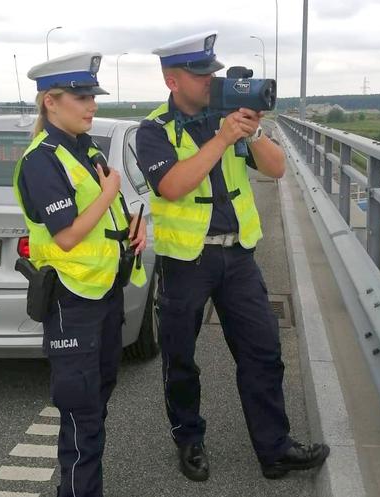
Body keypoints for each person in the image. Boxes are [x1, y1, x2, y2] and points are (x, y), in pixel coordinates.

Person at [135, 31, 330, 481]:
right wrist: (222, 139)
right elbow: (173, 186)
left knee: (263, 352)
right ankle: (189, 439)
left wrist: (253, 130)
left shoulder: (229, 119)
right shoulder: (154, 131)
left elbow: (277, 169)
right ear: (172, 81)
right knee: (180, 358)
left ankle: (275, 448)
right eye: (200, 73)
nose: (211, 80)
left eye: (213, 71)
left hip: (238, 256)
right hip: (186, 261)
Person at [12, 52, 147, 497]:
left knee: (97, 400)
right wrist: (110, 189)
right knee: (80, 412)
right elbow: (67, 236)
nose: (91, 104)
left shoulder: (83, 147)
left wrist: (129, 224)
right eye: (81, 96)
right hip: (72, 300)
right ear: (51, 101)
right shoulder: (42, 159)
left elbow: (101, 213)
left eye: (92, 95)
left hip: (102, 292)